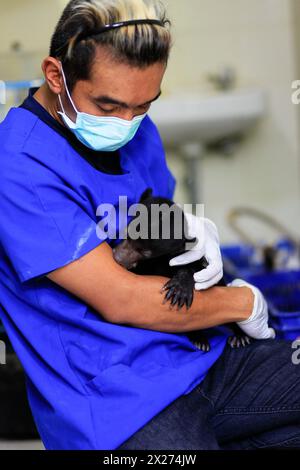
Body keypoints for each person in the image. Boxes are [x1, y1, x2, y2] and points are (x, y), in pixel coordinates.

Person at [0, 0, 298, 451]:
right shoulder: (19, 165)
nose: (128, 123)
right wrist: (242, 302)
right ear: (56, 75)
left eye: (143, 105)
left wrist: (190, 231)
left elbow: (160, 223)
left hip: (195, 351)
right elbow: (121, 299)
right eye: (109, 104)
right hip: (114, 399)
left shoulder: (138, 127)